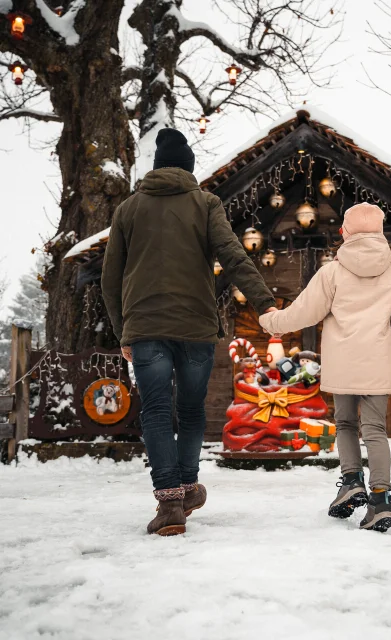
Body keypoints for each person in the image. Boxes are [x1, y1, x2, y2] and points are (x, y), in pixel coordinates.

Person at [102, 128, 277, 536]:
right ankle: (185, 487)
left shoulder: (128, 209)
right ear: (188, 169)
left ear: (157, 168)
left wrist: (123, 332)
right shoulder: (206, 203)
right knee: (192, 410)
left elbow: (111, 279)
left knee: (157, 410)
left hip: (146, 327)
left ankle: (171, 501)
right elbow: (233, 256)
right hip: (196, 327)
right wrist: (265, 302)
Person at [259, 203, 391, 532]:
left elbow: (302, 313)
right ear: (380, 235)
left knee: (345, 424)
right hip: (379, 364)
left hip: (343, 363)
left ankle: (351, 482)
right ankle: (380, 500)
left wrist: (270, 321)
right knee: (375, 431)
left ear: (345, 233)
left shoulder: (332, 272)